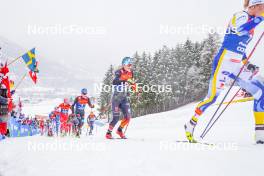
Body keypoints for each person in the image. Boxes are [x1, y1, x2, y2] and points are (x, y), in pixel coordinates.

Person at [184, 0, 264, 144]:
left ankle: (260, 135)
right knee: (212, 98)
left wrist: (248, 64)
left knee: (260, 91)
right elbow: (240, 30)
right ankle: (190, 124)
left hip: (237, 64)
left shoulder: (252, 21)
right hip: (224, 62)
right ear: (254, 5)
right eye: (263, 7)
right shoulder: (241, 15)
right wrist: (260, 18)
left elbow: (241, 47)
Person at [105, 57, 136, 139]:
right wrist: (125, 80)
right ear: (124, 64)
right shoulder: (119, 72)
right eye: (129, 64)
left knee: (128, 117)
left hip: (124, 97)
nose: (130, 66)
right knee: (116, 117)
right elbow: (115, 81)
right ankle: (108, 133)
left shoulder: (131, 72)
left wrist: (135, 89)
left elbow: (132, 82)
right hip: (116, 98)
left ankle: (119, 130)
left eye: (131, 64)